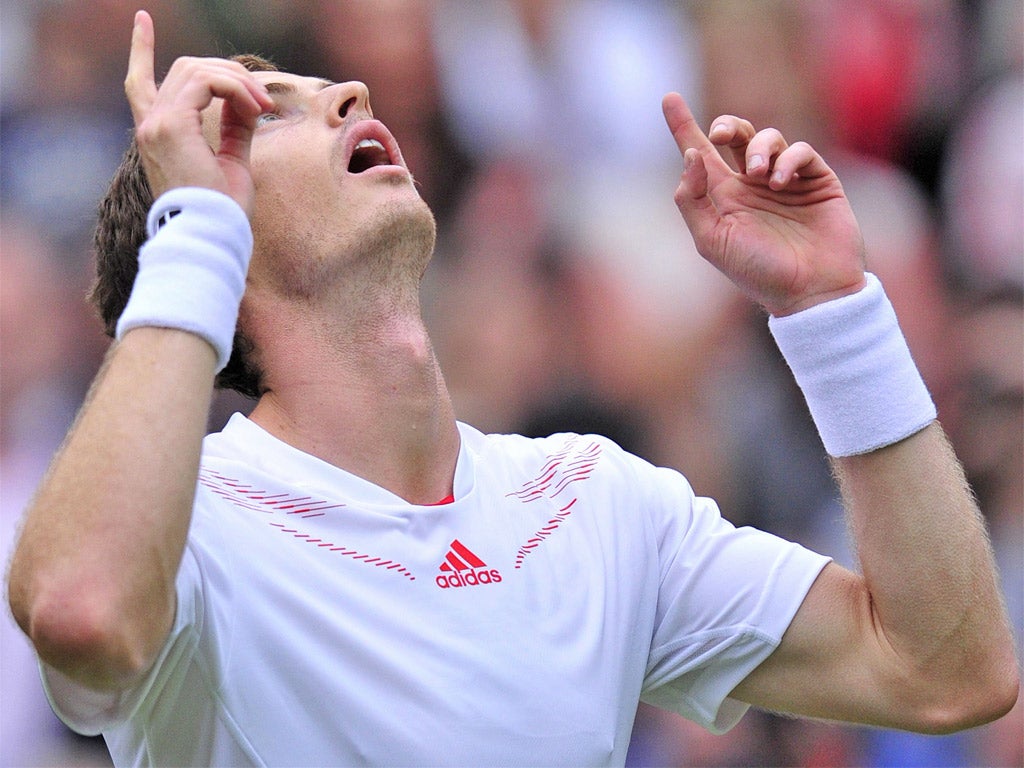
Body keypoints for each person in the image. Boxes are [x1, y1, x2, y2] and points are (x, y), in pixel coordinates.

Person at [6, 11, 1018, 766]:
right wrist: (195, 226)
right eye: (268, 115)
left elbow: (945, 669)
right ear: (208, 232)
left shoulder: (594, 500)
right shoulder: (188, 533)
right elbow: (82, 610)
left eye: (326, 89)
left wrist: (833, 313)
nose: (348, 96)